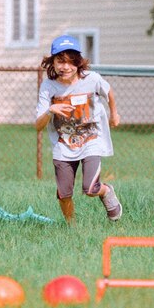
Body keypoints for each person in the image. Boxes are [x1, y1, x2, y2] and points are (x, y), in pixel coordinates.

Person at [35, 35, 122, 224]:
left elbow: (108, 91)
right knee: (64, 194)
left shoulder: (92, 79)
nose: (65, 67)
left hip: (91, 139)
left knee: (90, 188)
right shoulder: (48, 87)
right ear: (52, 62)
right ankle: (72, 227)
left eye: (70, 62)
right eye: (60, 61)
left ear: (78, 62)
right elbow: (38, 126)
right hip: (63, 145)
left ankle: (106, 191)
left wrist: (114, 113)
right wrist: (51, 110)